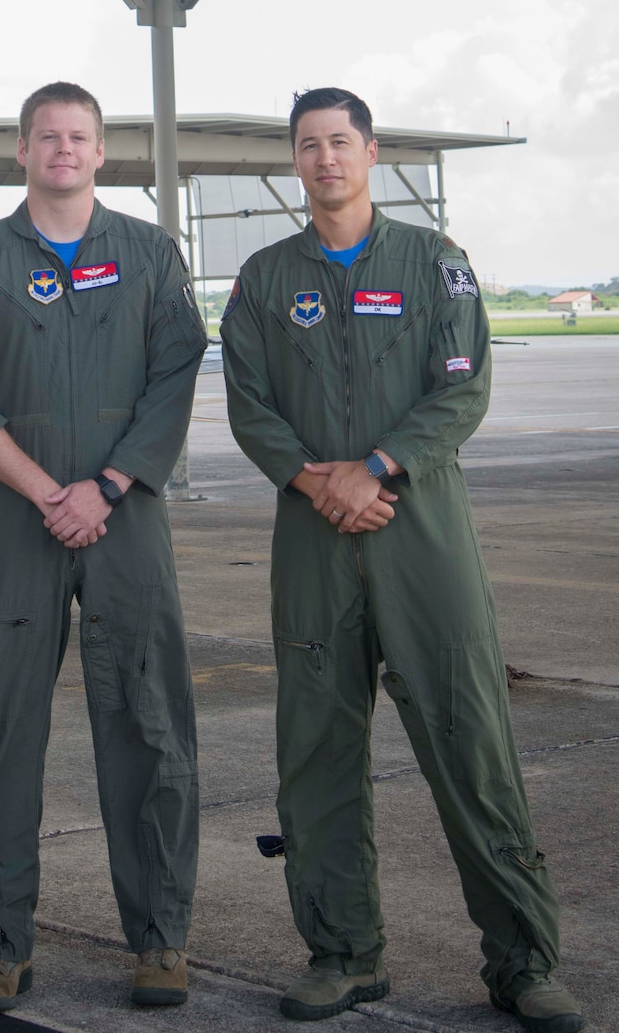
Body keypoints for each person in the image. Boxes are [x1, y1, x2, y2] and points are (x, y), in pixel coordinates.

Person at [220, 87, 583, 1033]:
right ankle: (342, 953)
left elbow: (461, 392)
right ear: (293, 162)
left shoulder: (435, 263)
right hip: (312, 541)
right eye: (308, 145)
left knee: (472, 745)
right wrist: (318, 483)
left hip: (420, 528)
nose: (325, 159)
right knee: (316, 751)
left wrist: (376, 468)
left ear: (372, 152)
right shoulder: (262, 280)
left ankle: (522, 961)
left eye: (341, 141)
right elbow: (249, 406)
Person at [0, 82, 208, 1015]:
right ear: (21, 151)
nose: (63, 150)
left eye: (79, 136)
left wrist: (110, 487)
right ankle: (0, 946)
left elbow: (176, 373)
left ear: (100, 153)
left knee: (148, 723)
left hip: (127, 516)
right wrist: (52, 492)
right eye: (47, 136)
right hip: (20, 521)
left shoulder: (150, 254)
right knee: (8, 732)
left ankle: (160, 940)